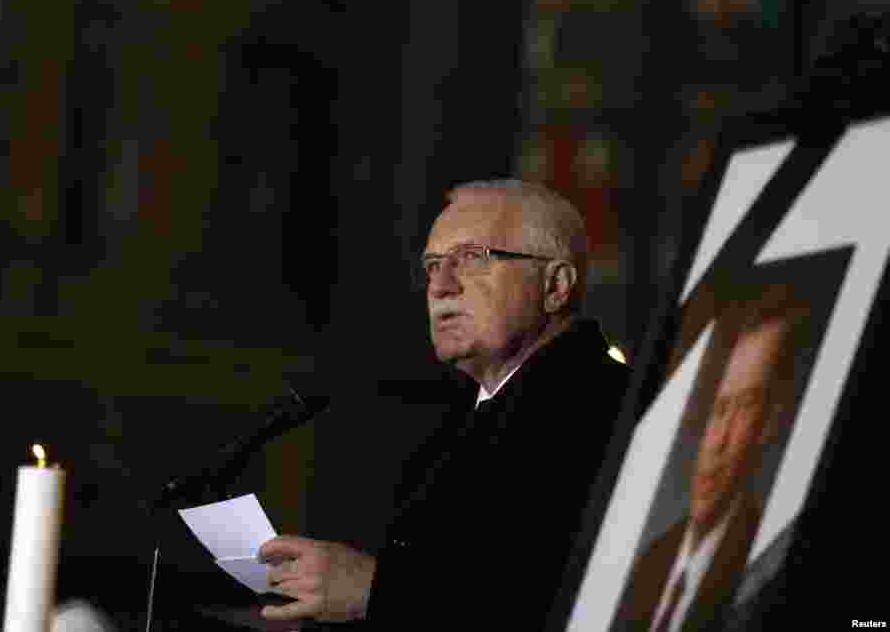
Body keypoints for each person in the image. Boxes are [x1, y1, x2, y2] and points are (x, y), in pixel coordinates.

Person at [257, 179, 630, 629]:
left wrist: (374, 591)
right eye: (433, 265)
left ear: (556, 285)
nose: (441, 286)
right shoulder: (457, 412)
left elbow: (554, 601)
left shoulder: (604, 410)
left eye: (473, 258)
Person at [614, 293, 805, 632]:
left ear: (771, 423)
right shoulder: (648, 565)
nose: (718, 441)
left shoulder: (764, 563)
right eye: (719, 409)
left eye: (744, 407)